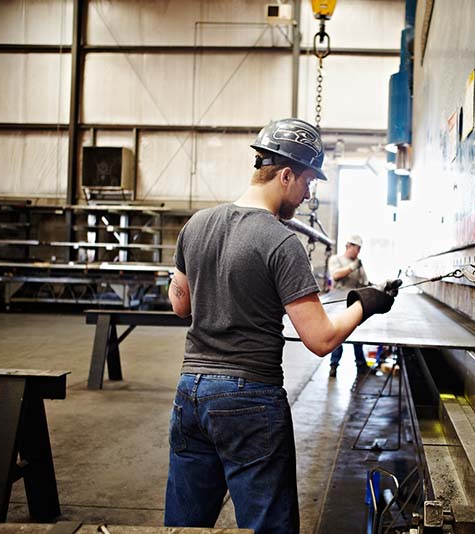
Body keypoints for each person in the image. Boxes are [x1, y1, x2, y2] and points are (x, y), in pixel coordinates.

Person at [164, 118, 400, 533]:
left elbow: (179, 305)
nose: (308, 193)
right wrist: (367, 303)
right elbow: (321, 338)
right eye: (307, 182)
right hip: (249, 398)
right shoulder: (280, 240)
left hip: (191, 394)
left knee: (185, 526)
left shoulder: (196, 224)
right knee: (267, 526)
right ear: (286, 174)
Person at [327, 235, 369, 377]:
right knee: (338, 335)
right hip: (337, 302)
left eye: (360, 249)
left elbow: (364, 283)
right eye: (357, 248)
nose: (358, 252)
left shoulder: (359, 264)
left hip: (353, 302)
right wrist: (352, 267)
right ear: (349, 246)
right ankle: (334, 365)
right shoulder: (336, 259)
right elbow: (336, 275)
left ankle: (361, 364)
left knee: (357, 335)